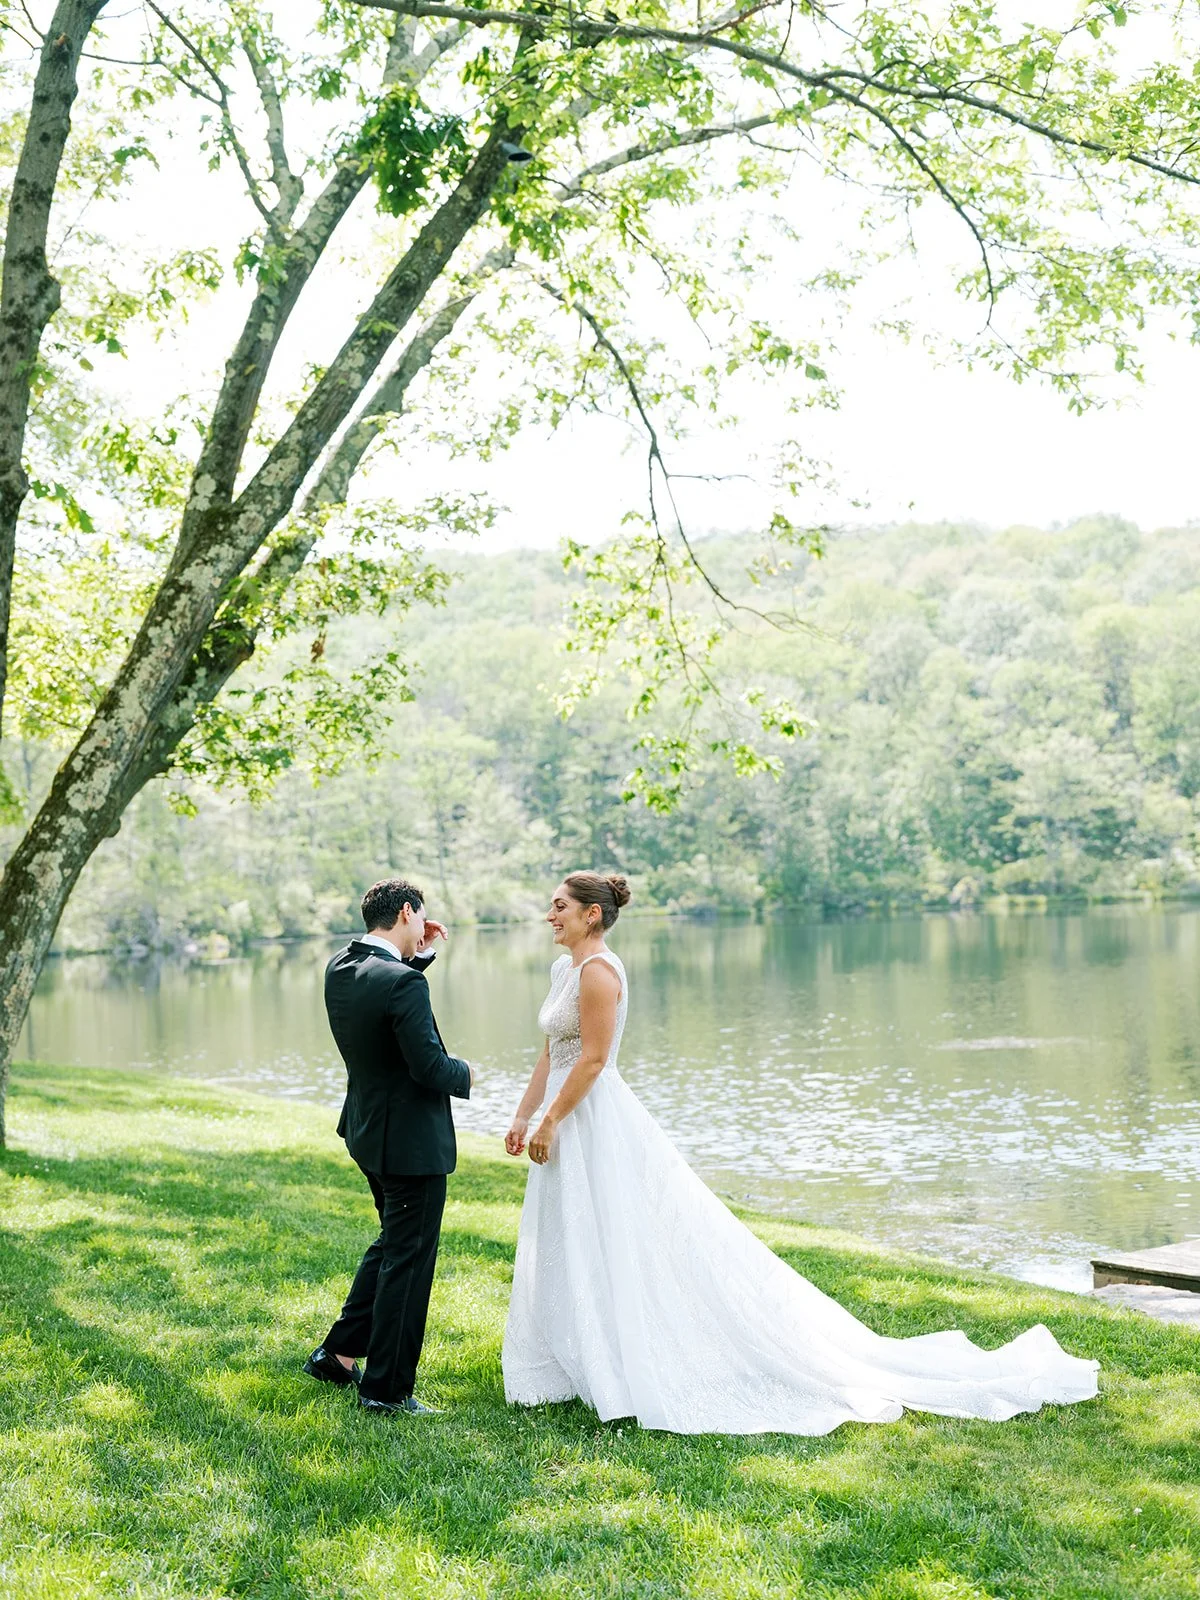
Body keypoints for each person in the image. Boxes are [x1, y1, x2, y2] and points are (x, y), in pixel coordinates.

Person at [501, 871, 1099, 1435]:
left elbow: (595, 1060)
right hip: (560, 1114)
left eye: (560, 906)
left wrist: (553, 1119)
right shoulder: (563, 969)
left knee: (617, 1234)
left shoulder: (600, 973)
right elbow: (552, 1054)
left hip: (592, 1119)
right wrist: (525, 1115)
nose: (549, 914)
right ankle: (573, 1361)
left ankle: (626, 1362)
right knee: (569, 1236)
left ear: (592, 914)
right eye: (553, 906)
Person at [304, 877, 473, 1416]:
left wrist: (416, 959)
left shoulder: (341, 966)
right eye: (421, 919)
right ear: (406, 912)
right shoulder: (402, 984)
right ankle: (386, 1391)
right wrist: (468, 1073)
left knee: (391, 1245)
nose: (426, 927)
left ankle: (337, 1355)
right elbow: (428, 1067)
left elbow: (383, 1007)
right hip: (410, 1145)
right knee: (408, 1259)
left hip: (367, 1132)